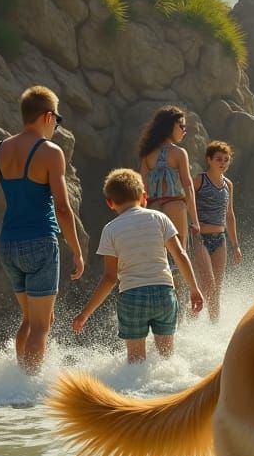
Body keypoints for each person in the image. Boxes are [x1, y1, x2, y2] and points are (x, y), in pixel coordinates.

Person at [0, 85, 85, 373]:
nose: (56, 127)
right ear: (47, 116)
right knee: (41, 326)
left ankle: (17, 382)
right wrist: (76, 250)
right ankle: (29, 388)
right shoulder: (51, 152)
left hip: (8, 245)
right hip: (41, 243)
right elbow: (62, 208)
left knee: (29, 321)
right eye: (57, 120)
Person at [72, 169, 203, 362]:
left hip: (132, 297)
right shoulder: (159, 218)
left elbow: (110, 278)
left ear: (110, 203)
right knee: (166, 359)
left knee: (135, 361)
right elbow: (181, 256)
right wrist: (194, 288)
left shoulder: (110, 230)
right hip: (164, 294)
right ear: (144, 197)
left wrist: (85, 314)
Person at [137, 105, 200, 315]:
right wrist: (195, 219)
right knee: (180, 259)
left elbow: (141, 190)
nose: (184, 130)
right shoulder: (178, 153)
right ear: (169, 126)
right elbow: (188, 186)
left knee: (159, 261)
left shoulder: (147, 154)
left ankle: (160, 309)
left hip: (152, 209)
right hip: (174, 206)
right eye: (181, 126)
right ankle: (180, 314)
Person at [193, 140, 241, 323]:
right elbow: (186, 203)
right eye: (219, 159)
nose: (223, 163)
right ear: (209, 160)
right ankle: (190, 324)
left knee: (216, 290)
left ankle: (214, 328)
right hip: (200, 238)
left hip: (220, 239)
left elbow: (229, 215)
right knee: (208, 286)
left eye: (226, 160)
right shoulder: (199, 180)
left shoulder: (228, 184)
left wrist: (236, 245)